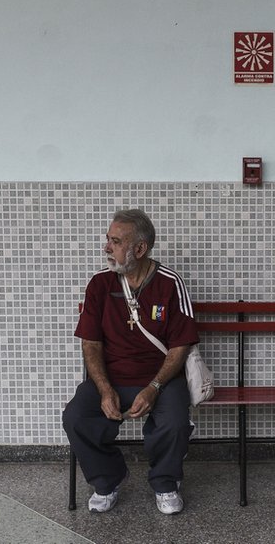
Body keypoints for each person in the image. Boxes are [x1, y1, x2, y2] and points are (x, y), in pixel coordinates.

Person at [62, 208, 199, 515]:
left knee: (175, 423)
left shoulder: (169, 283)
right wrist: (104, 388)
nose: (106, 247)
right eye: (108, 239)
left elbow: (181, 346)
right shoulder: (99, 284)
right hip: (110, 379)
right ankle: (108, 480)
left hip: (161, 380)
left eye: (115, 241)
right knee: (75, 417)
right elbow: (91, 343)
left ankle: (165, 483)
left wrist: (153, 387)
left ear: (140, 248)